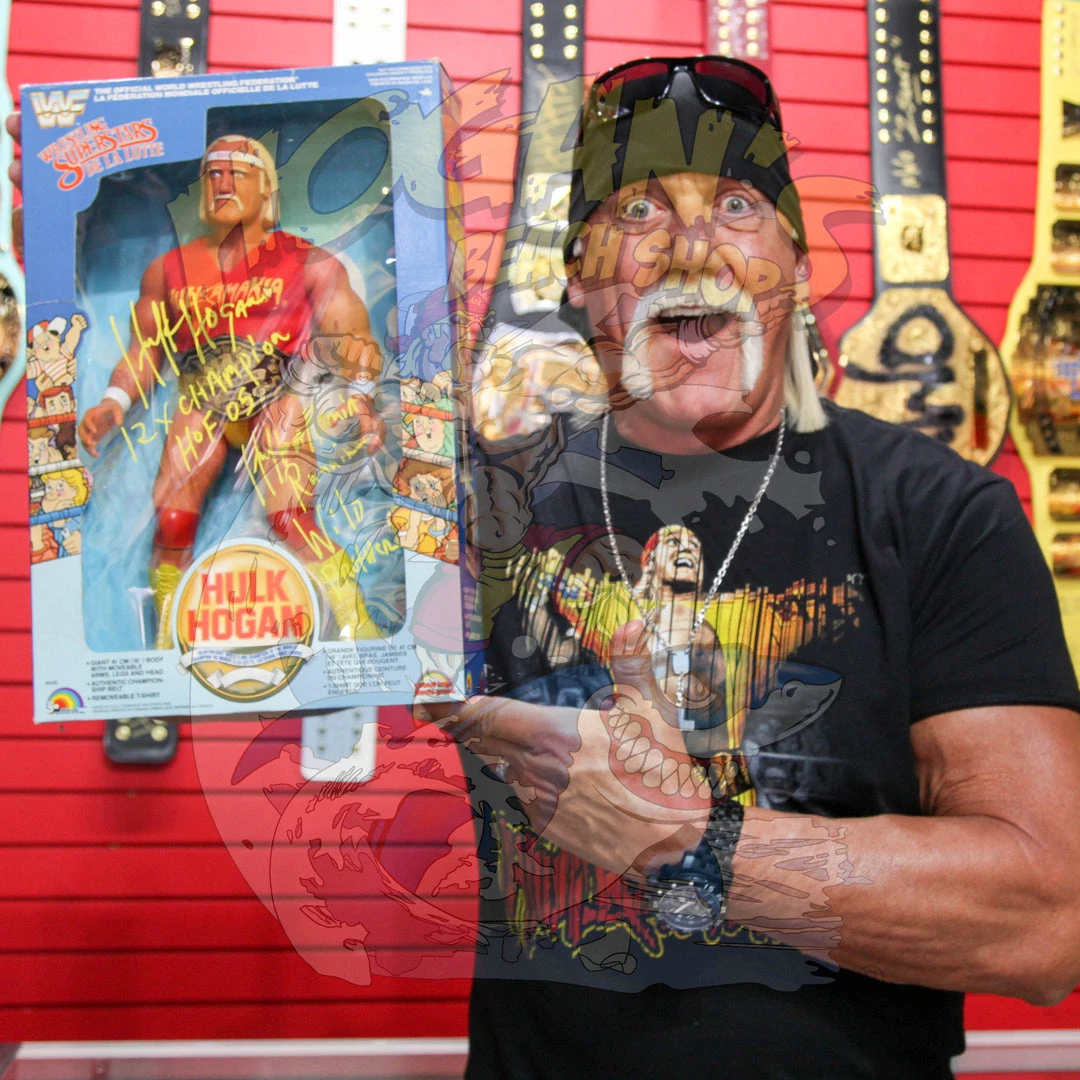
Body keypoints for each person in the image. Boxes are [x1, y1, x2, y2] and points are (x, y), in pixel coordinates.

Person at [430, 57, 1080, 1078]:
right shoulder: (473, 511)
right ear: (579, 282)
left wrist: (686, 840)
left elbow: (1049, 920)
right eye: (639, 210)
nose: (692, 246)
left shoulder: (938, 512)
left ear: (796, 270)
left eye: (737, 206)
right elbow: (262, 617)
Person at [75, 134, 393, 647]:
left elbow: (349, 332)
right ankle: (166, 637)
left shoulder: (308, 260)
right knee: (171, 520)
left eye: (236, 173)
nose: (222, 184)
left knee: (291, 517)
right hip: (201, 400)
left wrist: (361, 396)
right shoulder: (168, 269)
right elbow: (145, 349)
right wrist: (114, 402)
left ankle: (358, 620)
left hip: (280, 397)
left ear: (265, 186)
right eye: (213, 174)